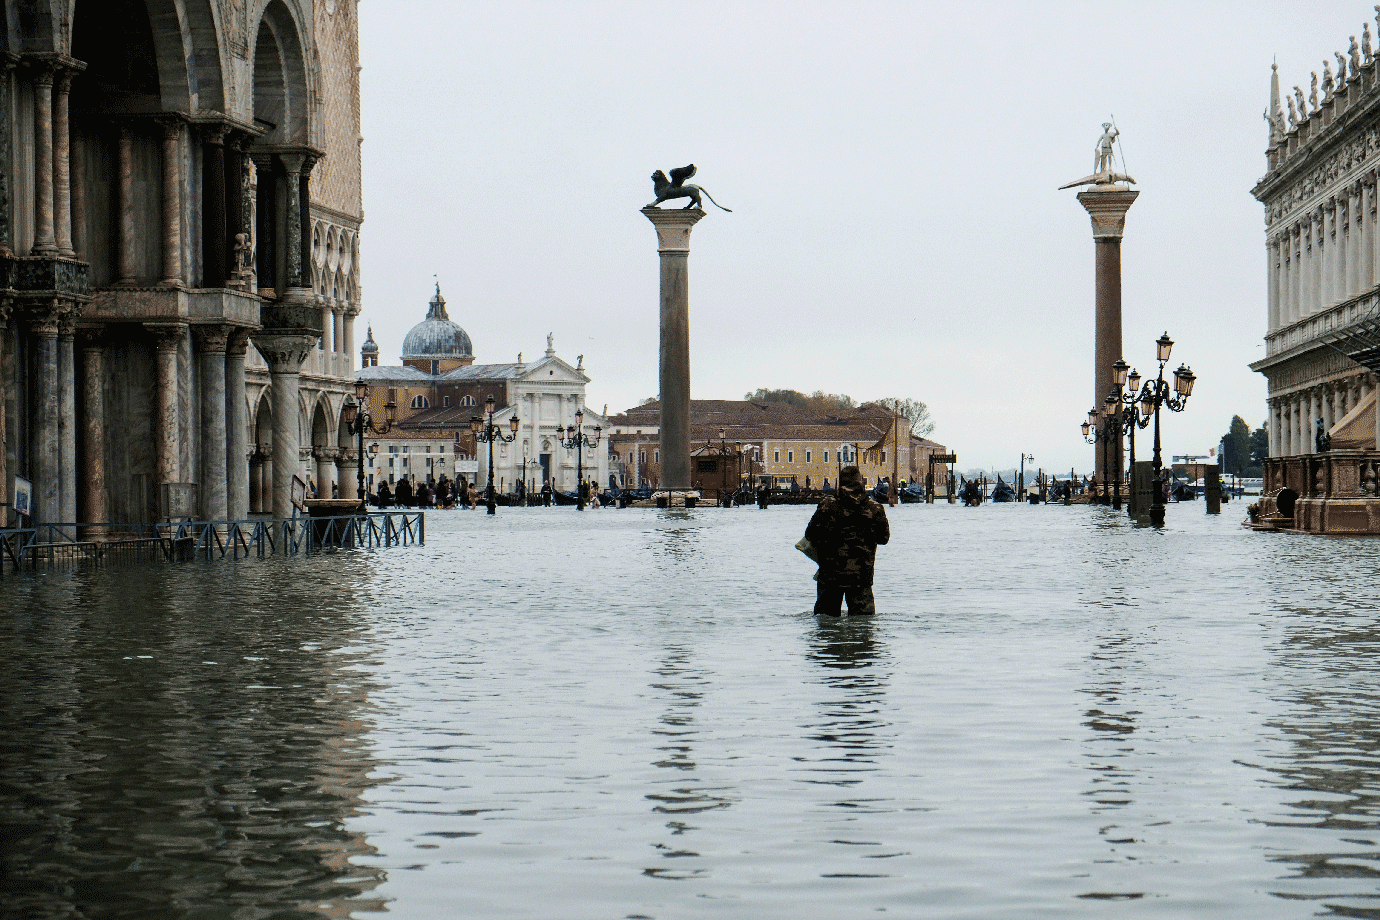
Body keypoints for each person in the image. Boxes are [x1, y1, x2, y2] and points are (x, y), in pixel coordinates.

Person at [805, 465, 890, 617]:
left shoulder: (827, 506)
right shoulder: (874, 509)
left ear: (841, 483)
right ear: (861, 482)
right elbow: (883, 539)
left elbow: (810, 535)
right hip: (861, 577)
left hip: (830, 576)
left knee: (826, 628)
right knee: (863, 628)